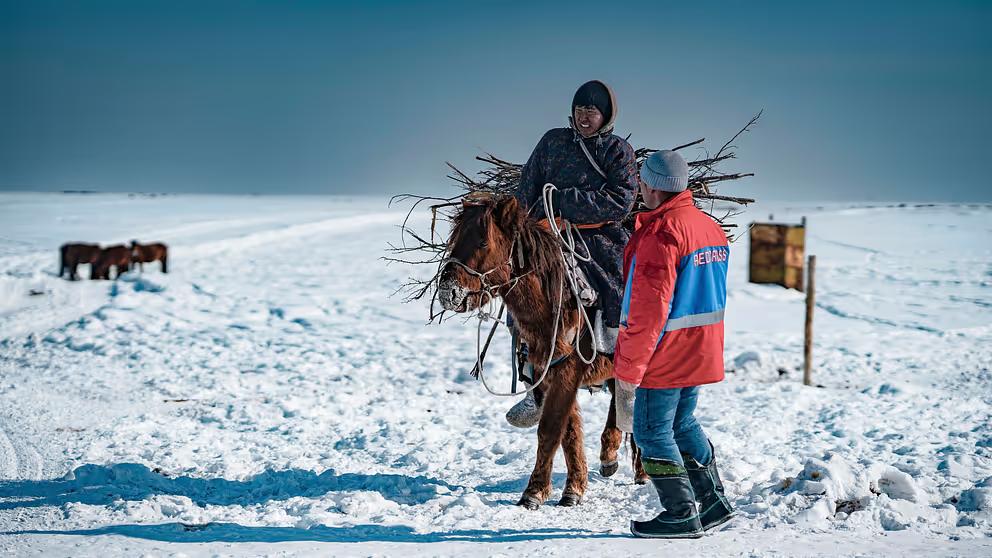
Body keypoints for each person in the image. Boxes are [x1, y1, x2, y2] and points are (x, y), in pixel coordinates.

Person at [612, 150, 734, 538]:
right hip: (702, 345)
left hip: (667, 350)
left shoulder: (662, 234)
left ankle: (680, 513)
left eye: (642, 183)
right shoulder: (708, 227)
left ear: (650, 185)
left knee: (651, 432)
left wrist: (629, 365)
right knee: (682, 422)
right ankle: (713, 503)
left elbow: (648, 309)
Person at [505, 80, 639, 428]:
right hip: (549, 235)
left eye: (592, 111)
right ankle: (533, 384)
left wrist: (566, 204)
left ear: (606, 115)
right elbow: (527, 187)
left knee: (619, 292)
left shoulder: (618, 152)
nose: (584, 116)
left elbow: (620, 201)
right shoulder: (552, 142)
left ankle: (624, 379)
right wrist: (538, 219)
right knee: (521, 293)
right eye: (580, 109)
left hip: (601, 238)